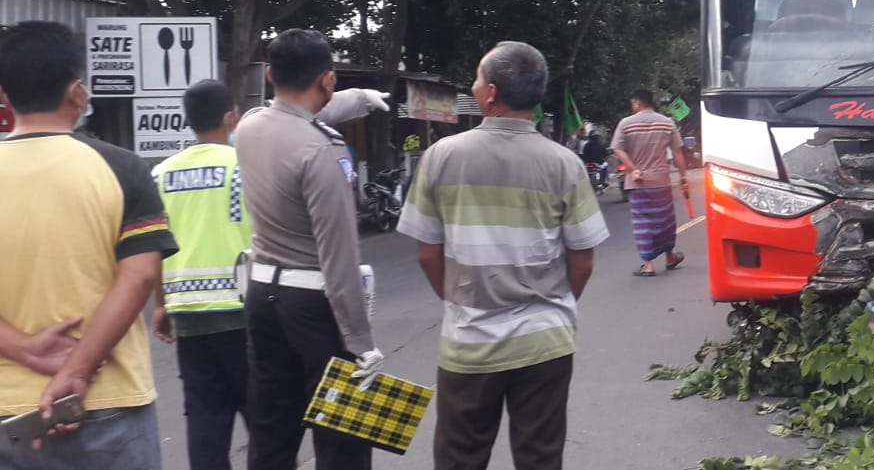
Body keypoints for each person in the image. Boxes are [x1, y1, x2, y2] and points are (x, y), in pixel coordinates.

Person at [150, 79, 384, 470]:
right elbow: (292, 119)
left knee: (208, 418)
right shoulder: (244, 160)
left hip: (187, 315)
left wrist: (162, 306)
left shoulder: (160, 174)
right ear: (230, 117)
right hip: (243, 308)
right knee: (277, 423)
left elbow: (154, 247)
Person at [398, 41, 608, 470]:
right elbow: (582, 261)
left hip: (469, 342)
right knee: (540, 459)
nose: (474, 86)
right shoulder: (564, 163)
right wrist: (554, 305)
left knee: (460, 458)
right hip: (545, 342)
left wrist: (461, 299)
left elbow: (427, 255)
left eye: (477, 78)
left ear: (491, 93)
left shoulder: (441, 156)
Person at [0, 21, 178, 469]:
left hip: (8, 413)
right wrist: (77, 370)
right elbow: (139, 279)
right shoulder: (122, 168)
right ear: (77, 93)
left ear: (3, 97)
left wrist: (22, 348)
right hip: (107, 402)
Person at [233, 29, 384, 470]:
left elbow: (297, 112)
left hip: (262, 295)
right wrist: (361, 342)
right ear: (327, 79)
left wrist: (356, 97)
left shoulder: (249, 127)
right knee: (342, 441)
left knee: (272, 433)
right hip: (316, 306)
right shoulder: (325, 151)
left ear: (268, 75)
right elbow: (339, 256)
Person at [611, 89, 691, 277]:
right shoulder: (667, 123)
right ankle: (670, 257)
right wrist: (683, 177)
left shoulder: (626, 123)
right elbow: (678, 152)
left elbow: (617, 149)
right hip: (661, 181)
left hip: (638, 184)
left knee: (643, 223)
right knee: (665, 222)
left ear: (638, 103)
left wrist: (633, 168)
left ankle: (648, 265)